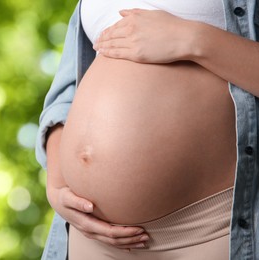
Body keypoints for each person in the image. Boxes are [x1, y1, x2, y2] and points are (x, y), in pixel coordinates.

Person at [35, 0, 259, 259]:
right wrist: (57, 182)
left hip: (211, 229)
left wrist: (195, 39)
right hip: (90, 235)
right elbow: (66, 93)